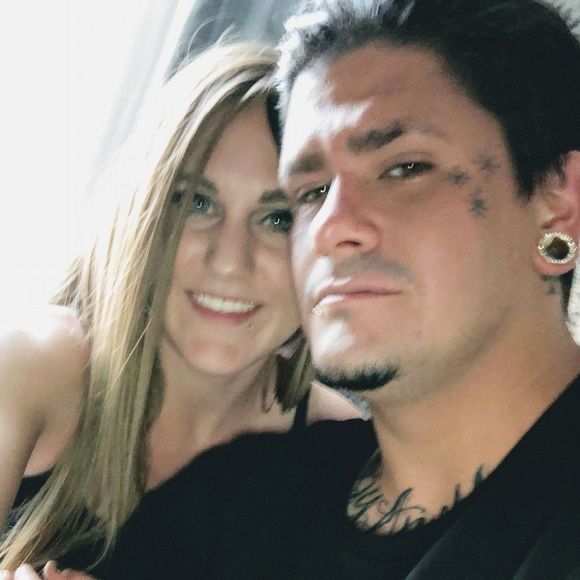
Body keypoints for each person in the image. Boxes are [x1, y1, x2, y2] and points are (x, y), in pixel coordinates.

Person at [206, 0, 580, 577]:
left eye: (404, 168)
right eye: (308, 194)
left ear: (558, 204)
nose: (329, 228)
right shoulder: (235, 500)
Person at [0, 42, 359, 578]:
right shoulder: (35, 363)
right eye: (196, 202)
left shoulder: (340, 451)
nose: (229, 260)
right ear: (143, 212)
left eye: (277, 218)